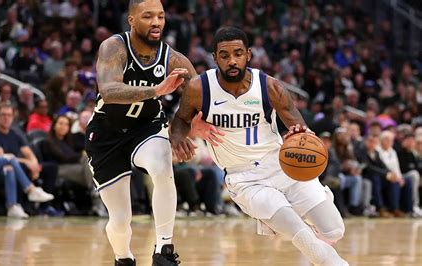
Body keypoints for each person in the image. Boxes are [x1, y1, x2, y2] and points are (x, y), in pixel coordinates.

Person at [170, 27, 348, 266]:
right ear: (215, 58)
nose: (232, 60)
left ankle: (290, 218)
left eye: (238, 53)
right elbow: (180, 120)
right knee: (301, 236)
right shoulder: (199, 88)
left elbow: (304, 132)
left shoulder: (270, 87)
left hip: (284, 168)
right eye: (224, 55)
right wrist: (179, 137)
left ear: (249, 55)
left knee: (334, 232)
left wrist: (298, 134)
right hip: (245, 179)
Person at [85, 1, 200, 265]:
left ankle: (164, 250)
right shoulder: (113, 47)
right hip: (106, 136)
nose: (157, 22)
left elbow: (198, 96)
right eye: (148, 16)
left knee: (161, 166)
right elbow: (109, 91)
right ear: (132, 21)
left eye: (160, 16)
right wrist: (156, 91)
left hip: (146, 128)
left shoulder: (174, 59)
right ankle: (123, 258)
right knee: (120, 221)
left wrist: (192, 124)